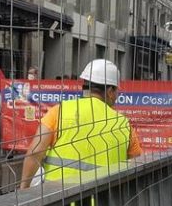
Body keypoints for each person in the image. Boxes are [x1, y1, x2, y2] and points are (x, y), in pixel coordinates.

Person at [20, 59, 142, 190]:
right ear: (110, 91)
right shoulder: (123, 124)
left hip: (59, 203)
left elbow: (35, 152)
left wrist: (24, 188)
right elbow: (136, 164)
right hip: (106, 205)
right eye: (117, 91)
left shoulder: (59, 111)